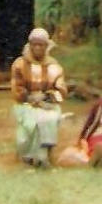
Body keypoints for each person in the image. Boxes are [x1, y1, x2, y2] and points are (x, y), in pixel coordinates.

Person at [11, 27, 68, 167]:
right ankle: (27, 156)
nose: (37, 47)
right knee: (31, 123)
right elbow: (16, 89)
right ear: (29, 45)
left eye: (40, 44)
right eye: (34, 44)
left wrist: (45, 98)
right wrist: (30, 98)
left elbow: (61, 89)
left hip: (48, 104)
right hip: (25, 104)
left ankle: (44, 156)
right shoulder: (19, 64)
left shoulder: (54, 66)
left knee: (47, 119)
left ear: (46, 46)